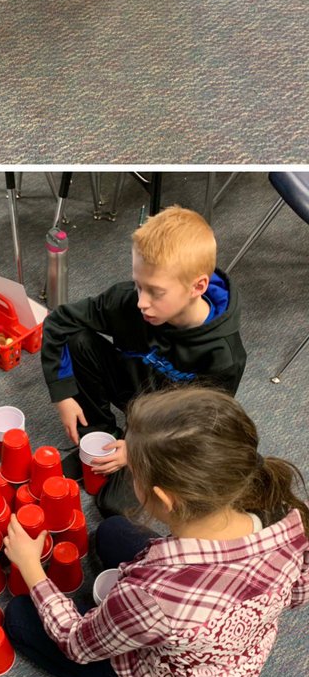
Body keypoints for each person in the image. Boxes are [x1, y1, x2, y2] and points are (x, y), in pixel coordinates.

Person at [3, 387, 309, 677]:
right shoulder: (285, 516)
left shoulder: (154, 594)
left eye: (133, 471)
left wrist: (32, 569)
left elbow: (77, 644)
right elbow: (298, 594)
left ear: (163, 497)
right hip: (234, 662)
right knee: (113, 531)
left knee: (21, 617)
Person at [41, 204, 245, 518]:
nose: (141, 302)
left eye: (155, 292)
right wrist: (63, 394)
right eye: (138, 285)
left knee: (113, 507)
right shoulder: (130, 303)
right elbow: (59, 323)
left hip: (169, 422)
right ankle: (102, 434)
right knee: (75, 337)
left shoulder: (223, 356)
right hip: (134, 388)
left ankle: (128, 448)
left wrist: (138, 450)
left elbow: (202, 425)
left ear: (198, 287)